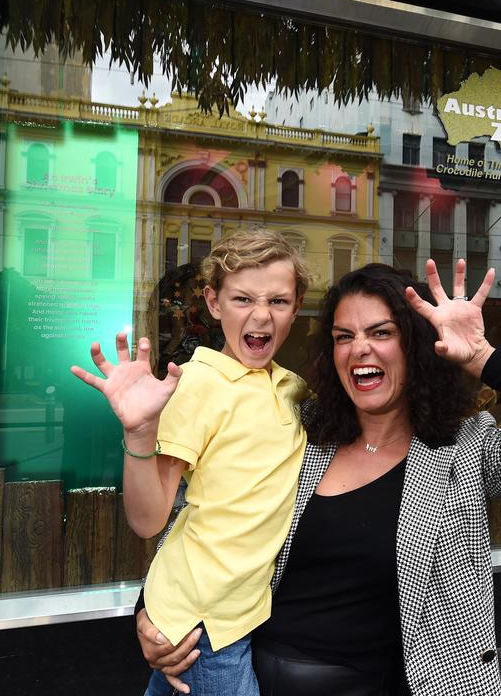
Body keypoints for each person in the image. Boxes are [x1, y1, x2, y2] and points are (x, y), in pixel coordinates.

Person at [135, 260, 501, 696]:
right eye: (344, 337)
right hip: (254, 675)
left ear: (414, 346)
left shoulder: (466, 449)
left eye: (381, 333)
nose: (359, 349)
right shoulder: (302, 427)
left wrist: (483, 358)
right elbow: (206, 515)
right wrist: (155, 616)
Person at [71, 229, 313, 696]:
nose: (260, 315)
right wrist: (139, 432)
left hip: (239, 610)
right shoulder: (198, 383)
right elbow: (149, 519)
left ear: (297, 307)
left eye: (278, 302)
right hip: (204, 621)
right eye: (242, 298)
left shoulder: (291, 387)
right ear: (214, 302)